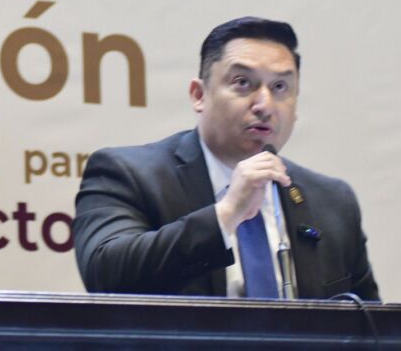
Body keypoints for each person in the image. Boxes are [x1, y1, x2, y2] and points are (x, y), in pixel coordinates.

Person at [72, 17, 379, 300]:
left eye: (280, 87)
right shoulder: (127, 174)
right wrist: (228, 213)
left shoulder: (332, 201)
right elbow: (106, 275)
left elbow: (371, 323)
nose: (264, 105)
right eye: (243, 82)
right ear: (199, 95)